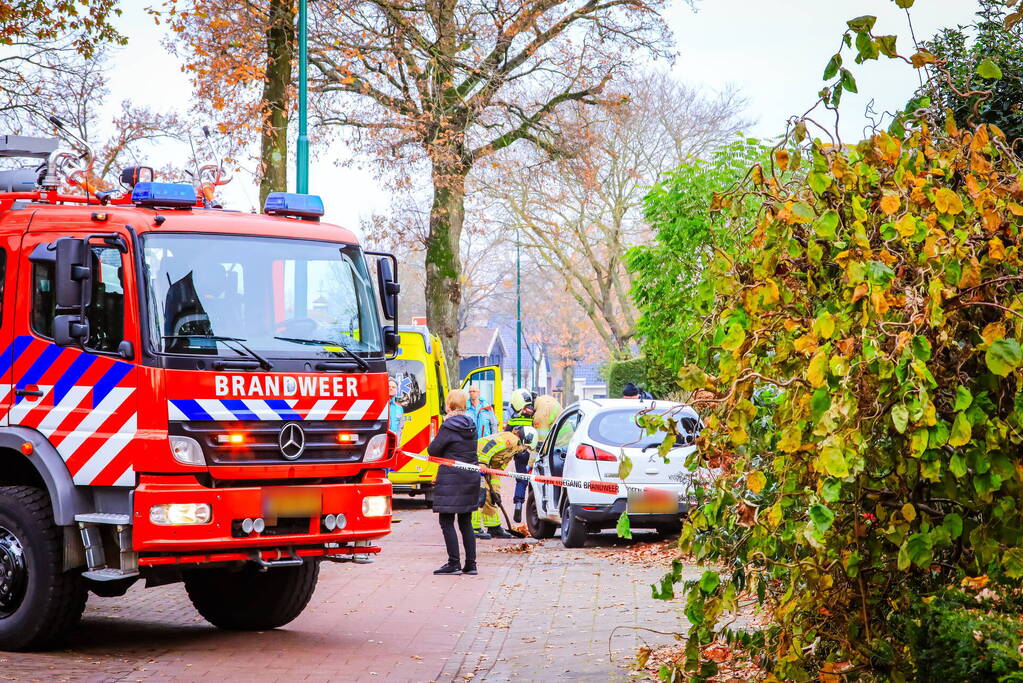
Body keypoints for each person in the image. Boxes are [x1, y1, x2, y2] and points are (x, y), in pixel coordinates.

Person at [427, 389, 480, 575]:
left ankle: (453, 563)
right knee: (466, 521)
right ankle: (471, 564)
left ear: (450, 405)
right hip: (470, 476)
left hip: (451, 478)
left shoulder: (448, 426)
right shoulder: (471, 424)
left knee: (446, 520)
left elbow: (433, 450)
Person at [471, 430, 521, 539]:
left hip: (486, 464)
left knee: (491, 496)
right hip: (478, 460)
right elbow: (491, 446)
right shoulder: (511, 439)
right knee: (480, 494)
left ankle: (494, 527)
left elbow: (497, 470)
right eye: (527, 448)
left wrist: (496, 490)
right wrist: (482, 463)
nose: (525, 451)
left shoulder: (512, 451)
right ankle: (473, 527)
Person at [506, 388, 536, 523]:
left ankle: (518, 504)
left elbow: (506, 433)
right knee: (534, 481)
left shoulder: (513, 419)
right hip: (533, 451)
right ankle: (533, 509)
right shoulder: (532, 416)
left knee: (521, 479)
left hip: (519, 452)